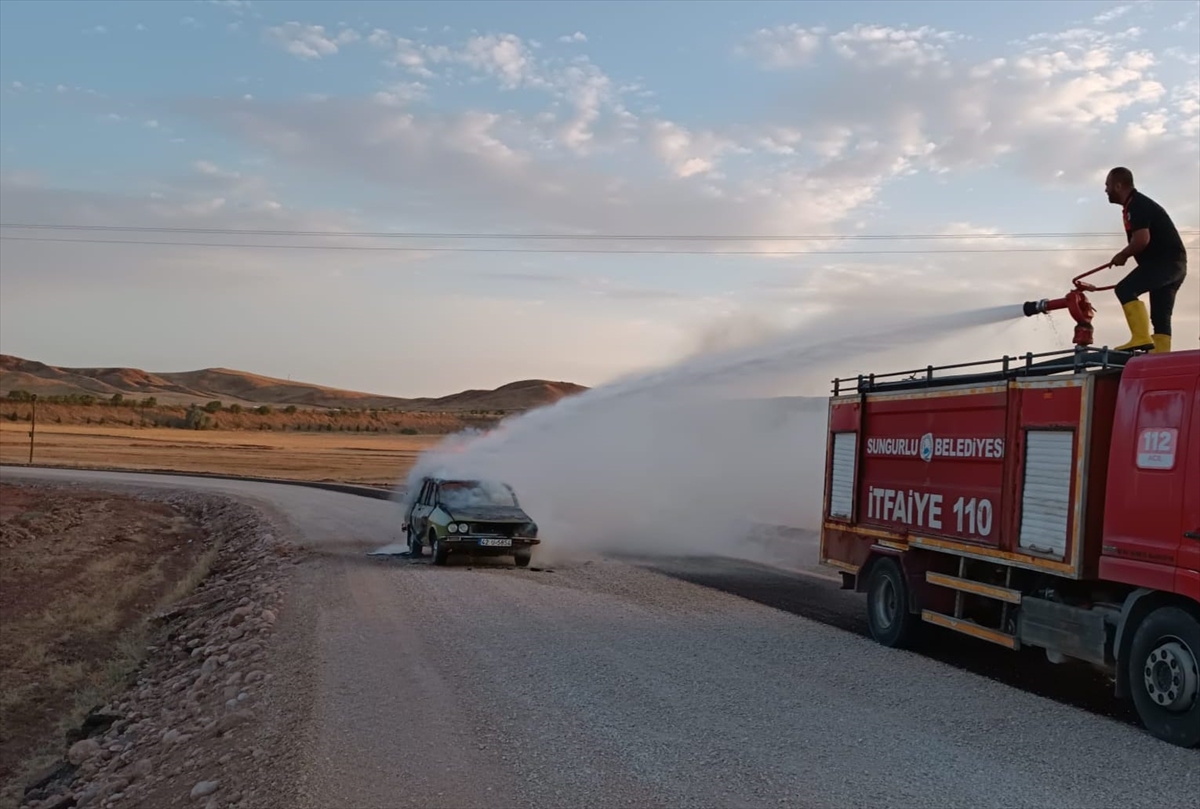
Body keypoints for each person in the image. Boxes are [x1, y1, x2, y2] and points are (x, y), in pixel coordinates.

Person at [1103, 167, 1188, 353]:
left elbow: (1141, 240)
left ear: (1118, 186)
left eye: (1107, 185)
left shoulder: (1137, 204)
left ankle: (1141, 338)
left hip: (1164, 263)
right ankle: (1161, 353)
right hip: (1177, 267)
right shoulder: (1136, 204)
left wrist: (1123, 255)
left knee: (1125, 289)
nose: (1105, 190)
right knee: (1160, 315)